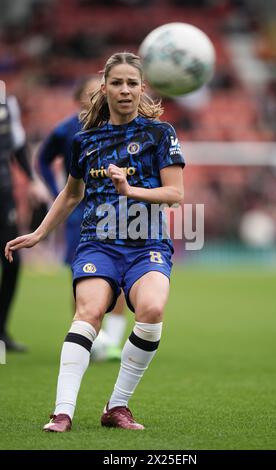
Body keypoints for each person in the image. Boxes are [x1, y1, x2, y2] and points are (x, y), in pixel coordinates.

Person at [5, 52, 185, 431]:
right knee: (87, 313)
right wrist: (38, 234)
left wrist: (129, 188)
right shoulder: (84, 140)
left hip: (146, 242)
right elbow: (71, 195)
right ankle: (62, 411)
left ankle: (116, 407)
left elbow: (175, 194)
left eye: (132, 83)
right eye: (117, 83)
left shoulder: (160, 134)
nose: (125, 90)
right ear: (104, 89)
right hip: (97, 243)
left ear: (142, 89)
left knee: (151, 312)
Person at [37, 76, 127, 361]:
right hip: (79, 212)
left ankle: (112, 340)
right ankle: (89, 335)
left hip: (115, 211)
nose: (97, 97)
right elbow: (42, 159)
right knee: (83, 274)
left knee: (122, 273)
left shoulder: (118, 126)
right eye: (91, 93)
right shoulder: (68, 129)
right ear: (79, 98)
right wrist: (56, 191)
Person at [0, 94, 44, 351]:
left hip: (3, 195)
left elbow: (17, 145)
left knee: (12, 259)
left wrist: (32, 179)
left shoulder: (8, 103)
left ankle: (1, 329)